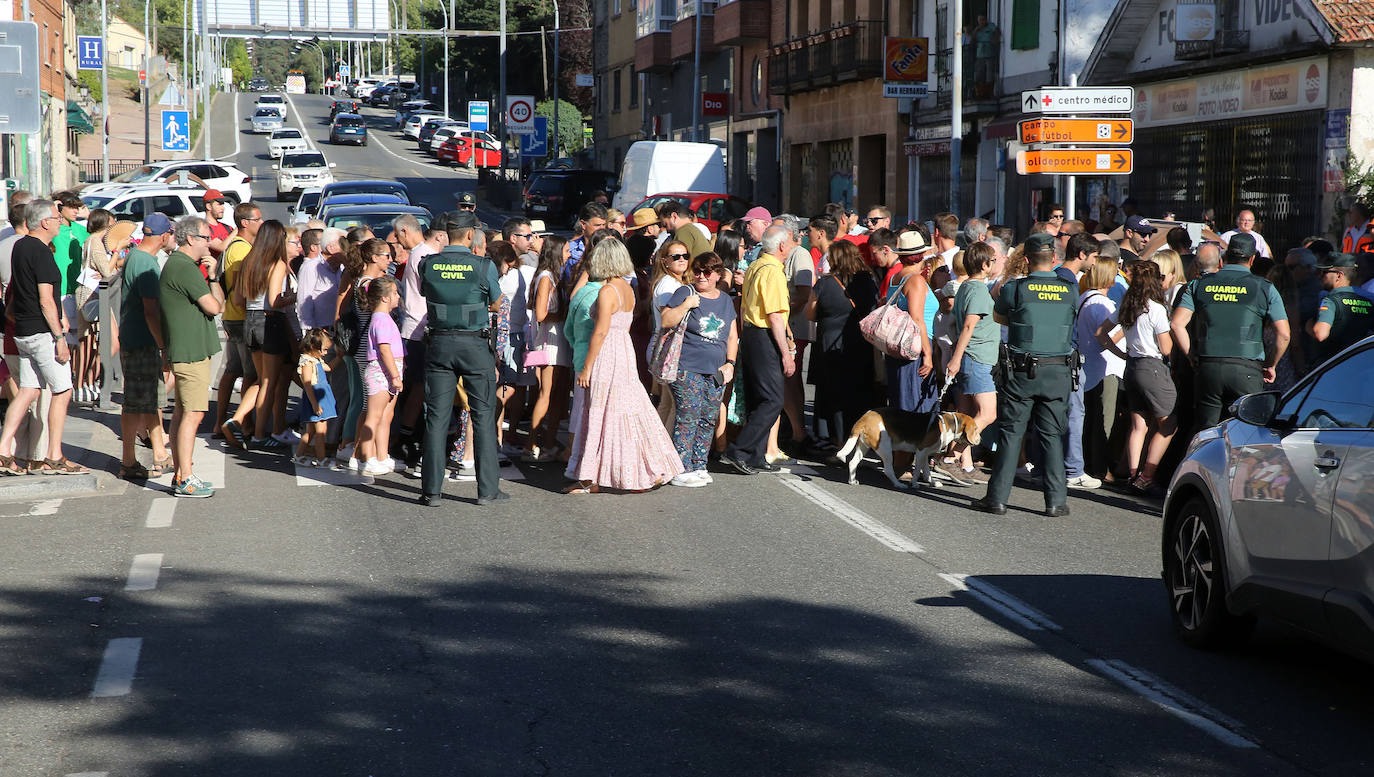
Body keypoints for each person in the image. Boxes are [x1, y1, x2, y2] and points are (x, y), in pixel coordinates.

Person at [971, 234, 1076, 517]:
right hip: (1058, 371)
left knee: (1011, 434)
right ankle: (1055, 502)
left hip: (1022, 371)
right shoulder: (1070, 289)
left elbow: (999, 317)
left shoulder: (1015, 289)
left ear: (1026, 260)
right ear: (1054, 259)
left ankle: (997, 499)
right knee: (1051, 435)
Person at [566, 239, 684, 493]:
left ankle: (591, 477)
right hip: (624, 353)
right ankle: (637, 470)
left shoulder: (607, 291)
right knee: (628, 411)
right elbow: (625, 326)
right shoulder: (627, 289)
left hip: (606, 353)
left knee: (598, 412)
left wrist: (586, 367)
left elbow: (600, 332)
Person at [417, 210, 507, 506]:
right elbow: (495, 302)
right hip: (474, 345)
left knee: (437, 417)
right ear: (470, 235)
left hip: (440, 343)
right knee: (482, 416)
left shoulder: (428, 264)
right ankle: (487, 490)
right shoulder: (483, 266)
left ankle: (431, 491)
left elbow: (425, 292)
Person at [0, 199, 88, 476]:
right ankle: (54, 455)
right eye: (56, 216)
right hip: (41, 332)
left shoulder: (21, 246)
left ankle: (3, 449)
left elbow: (15, 293)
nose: (60, 221)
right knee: (63, 390)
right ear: (44, 222)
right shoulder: (40, 252)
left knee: (28, 390)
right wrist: (60, 337)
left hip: (23, 332)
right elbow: (47, 301)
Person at [1170, 233, 1290, 429]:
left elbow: (1176, 324)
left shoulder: (1199, 284)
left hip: (1209, 366)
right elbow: (1284, 334)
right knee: (1245, 434)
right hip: (1248, 369)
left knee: (1206, 434)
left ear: (1223, 258)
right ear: (1252, 259)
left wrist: (1191, 354)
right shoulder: (1264, 287)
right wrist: (1271, 364)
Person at [1097, 260, 1177, 496]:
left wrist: (1120, 352)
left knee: (1138, 425)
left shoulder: (1126, 304)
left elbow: (1101, 333)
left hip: (1131, 366)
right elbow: (1165, 348)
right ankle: (1146, 477)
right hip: (1152, 367)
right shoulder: (1156, 308)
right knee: (1169, 423)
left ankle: (1133, 475)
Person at [159, 216, 224, 497]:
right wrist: (211, 278)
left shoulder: (183, 265)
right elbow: (213, 306)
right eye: (206, 237)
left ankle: (179, 473)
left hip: (189, 349)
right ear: (190, 239)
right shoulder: (184, 268)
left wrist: (213, 277)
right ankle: (185, 477)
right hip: (190, 351)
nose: (209, 242)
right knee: (194, 414)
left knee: (184, 412)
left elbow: (217, 304)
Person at [661, 252, 738, 486]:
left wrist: (731, 363)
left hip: (716, 370)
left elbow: (732, 335)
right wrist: (686, 305)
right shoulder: (686, 293)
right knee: (689, 416)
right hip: (687, 367)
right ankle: (680, 468)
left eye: (706, 272)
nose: (700, 276)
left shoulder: (725, 300)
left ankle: (698, 464)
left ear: (717, 274)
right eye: (697, 271)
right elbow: (666, 320)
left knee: (708, 417)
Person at [721, 226, 794, 475]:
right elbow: (775, 316)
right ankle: (739, 450)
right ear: (782, 246)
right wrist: (786, 353)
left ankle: (755, 454)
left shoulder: (755, 266)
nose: (794, 244)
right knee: (773, 399)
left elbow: (744, 306)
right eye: (792, 240)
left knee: (757, 398)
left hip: (751, 332)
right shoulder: (772, 271)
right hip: (764, 334)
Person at [805, 239, 878, 447]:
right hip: (861, 343)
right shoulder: (868, 280)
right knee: (858, 391)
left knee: (833, 393)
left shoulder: (826, 283)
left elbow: (810, 314)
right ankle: (859, 439)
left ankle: (836, 440)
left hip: (830, 344)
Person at [117, 213, 174, 480]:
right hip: (142, 340)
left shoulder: (135, 256)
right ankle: (128, 460)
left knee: (150, 401)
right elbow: (151, 310)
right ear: (163, 236)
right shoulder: (147, 264)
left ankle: (160, 453)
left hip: (135, 337)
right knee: (135, 403)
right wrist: (163, 344)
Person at [943, 242, 1001, 485]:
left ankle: (966, 465)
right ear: (984, 265)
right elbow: (968, 326)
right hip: (977, 358)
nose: (995, 265)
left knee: (965, 415)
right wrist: (955, 359)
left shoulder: (967, 286)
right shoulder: (976, 289)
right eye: (993, 261)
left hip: (972, 358)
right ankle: (949, 458)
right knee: (987, 414)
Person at [1075, 254, 1124, 482]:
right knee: (1104, 421)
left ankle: (1092, 464)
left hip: (1089, 367)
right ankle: (1101, 468)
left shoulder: (1084, 297)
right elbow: (1108, 336)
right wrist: (1126, 322)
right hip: (1105, 368)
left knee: (1091, 419)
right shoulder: (1102, 304)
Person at [214, 202, 262, 439]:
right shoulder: (242, 250)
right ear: (245, 223)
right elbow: (243, 289)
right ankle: (243, 424)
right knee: (250, 374)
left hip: (232, 315)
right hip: (241, 317)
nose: (261, 223)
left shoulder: (236, 246)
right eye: (258, 220)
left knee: (232, 371)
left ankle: (220, 422)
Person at [525, 234, 572, 462]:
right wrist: (563, 314)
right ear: (556, 252)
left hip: (556, 339)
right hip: (550, 341)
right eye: (566, 251)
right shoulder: (546, 277)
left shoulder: (553, 275)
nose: (569, 254)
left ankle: (548, 442)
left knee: (555, 394)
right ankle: (531, 444)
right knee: (546, 393)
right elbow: (541, 314)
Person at [884, 231, 937, 414]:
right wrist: (928, 354)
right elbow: (917, 319)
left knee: (901, 402)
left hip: (898, 345)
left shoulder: (895, 278)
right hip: (916, 346)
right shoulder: (915, 281)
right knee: (915, 406)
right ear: (921, 255)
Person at [491, 239, 535, 450]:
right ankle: (496, 433)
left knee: (504, 385)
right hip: (509, 335)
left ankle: (498, 435)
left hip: (505, 333)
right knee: (508, 386)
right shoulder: (513, 275)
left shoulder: (504, 275)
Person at [358, 276, 404, 476]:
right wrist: (394, 375)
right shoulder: (381, 320)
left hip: (388, 372)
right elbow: (384, 350)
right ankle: (366, 458)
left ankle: (382, 456)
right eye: (394, 293)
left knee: (386, 415)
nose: (397, 297)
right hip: (382, 373)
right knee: (374, 416)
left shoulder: (384, 318)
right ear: (384, 298)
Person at [1312, 252, 1374, 363]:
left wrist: (1309, 327)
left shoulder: (1330, 300)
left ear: (1339, 275)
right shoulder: (1370, 300)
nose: (1320, 276)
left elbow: (1320, 334)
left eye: (1325, 272)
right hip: (1362, 363)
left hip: (1332, 365)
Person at [293, 328, 338, 467]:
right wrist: (315, 404)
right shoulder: (307, 362)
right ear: (313, 347)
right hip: (316, 398)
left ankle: (299, 455)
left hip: (320, 396)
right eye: (323, 350)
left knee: (311, 431)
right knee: (320, 431)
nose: (325, 353)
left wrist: (339, 357)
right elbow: (307, 385)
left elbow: (329, 368)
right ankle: (321, 459)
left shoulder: (315, 359)